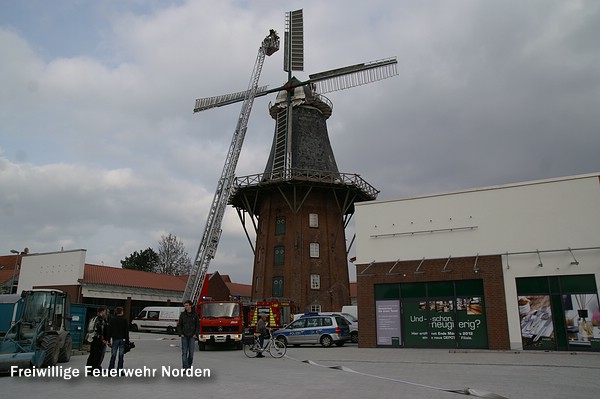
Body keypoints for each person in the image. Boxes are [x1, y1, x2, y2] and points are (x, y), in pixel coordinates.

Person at [177, 300, 199, 369]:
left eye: (186, 305)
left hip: (192, 336)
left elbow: (197, 325)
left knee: (191, 353)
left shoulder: (195, 315)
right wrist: (180, 333)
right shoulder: (182, 314)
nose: (185, 307)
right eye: (185, 305)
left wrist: (196, 334)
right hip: (184, 336)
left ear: (190, 306)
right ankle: (185, 367)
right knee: (184, 352)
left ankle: (189, 365)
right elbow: (179, 325)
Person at [107, 306, 130, 371]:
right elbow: (126, 332)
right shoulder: (124, 320)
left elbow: (109, 331)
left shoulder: (112, 320)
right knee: (121, 355)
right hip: (122, 339)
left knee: (113, 355)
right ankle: (119, 370)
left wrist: (109, 340)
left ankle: (111, 369)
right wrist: (127, 341)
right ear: (121, 312)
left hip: (115, 339)